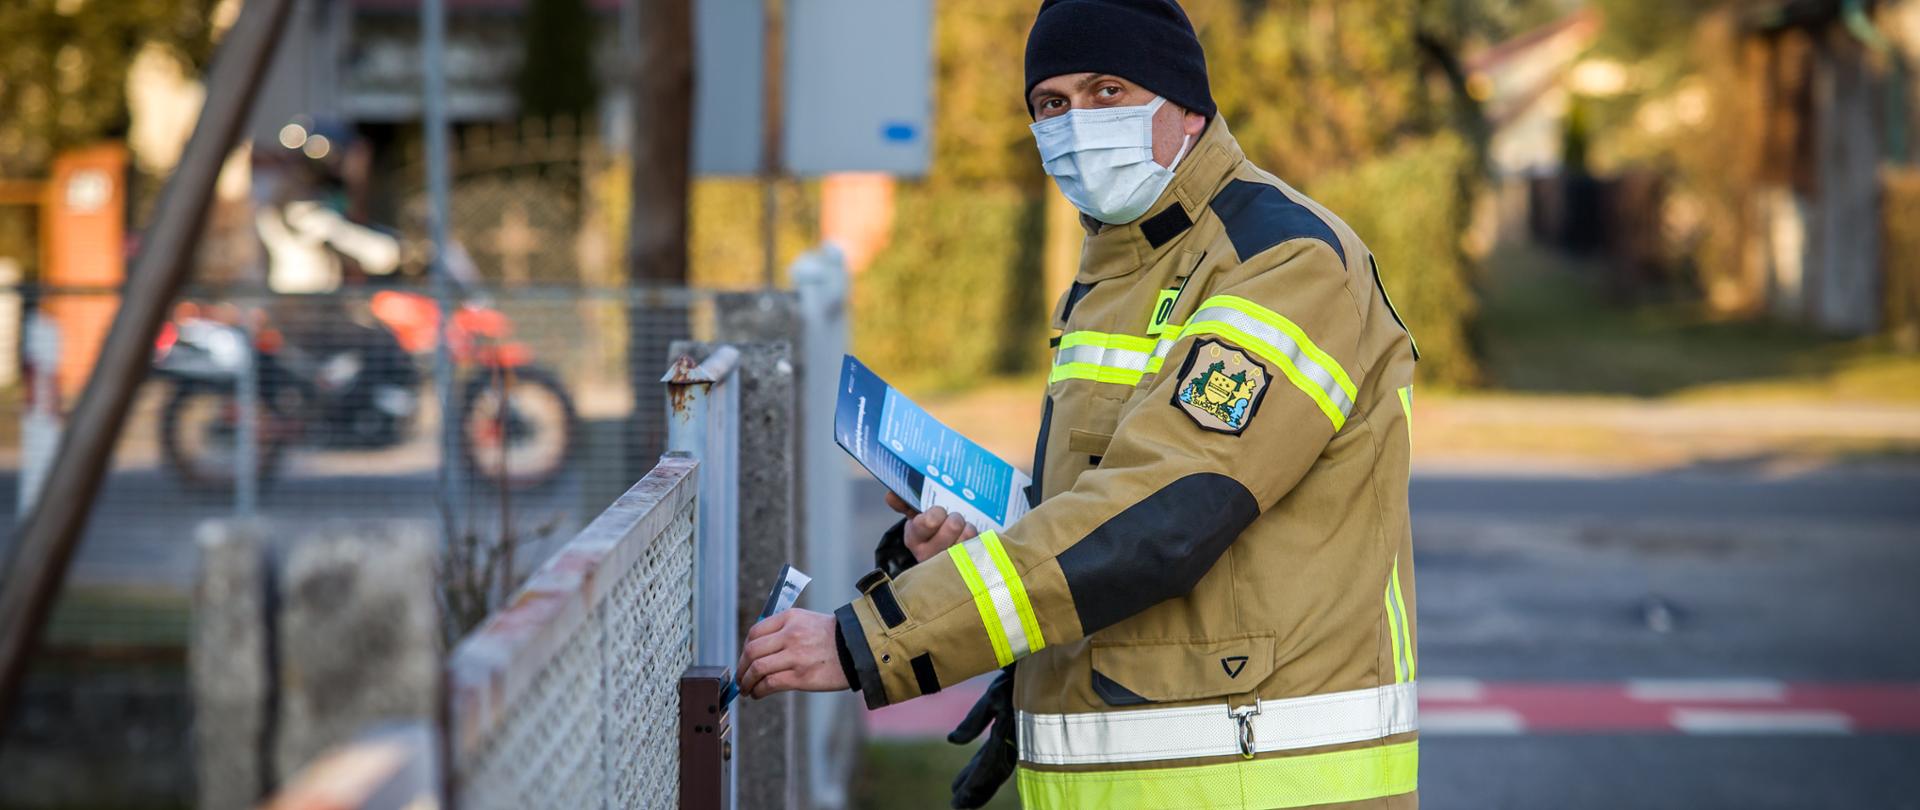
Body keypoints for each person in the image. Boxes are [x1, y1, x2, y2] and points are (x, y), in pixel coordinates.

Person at [737, 1, 1421, 807]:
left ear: (1187, 107)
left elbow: (1159, 516)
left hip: (1264, 783)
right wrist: (1022, 633)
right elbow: (1089, 514)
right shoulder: (1119, 266)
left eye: (1107, 91)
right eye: (1051, 104)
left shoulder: (1285, 262)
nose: (1077, 123)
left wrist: (870, 642)